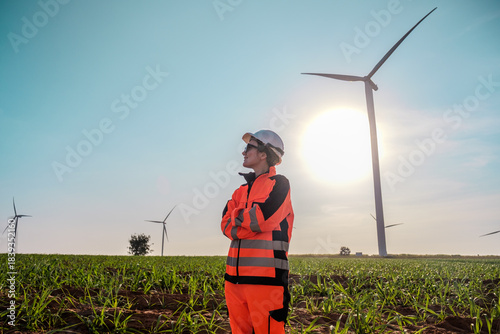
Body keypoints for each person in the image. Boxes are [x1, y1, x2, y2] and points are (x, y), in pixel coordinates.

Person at [221, 129, 294, 334]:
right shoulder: (239, 191)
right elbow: (225, 226)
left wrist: (239, 219)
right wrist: (250, 224)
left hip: (266, 283)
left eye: (249, 147)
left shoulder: (279, 185)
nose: (244, 152)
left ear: (264, 153)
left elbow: (264, 219)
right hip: (233, 282)